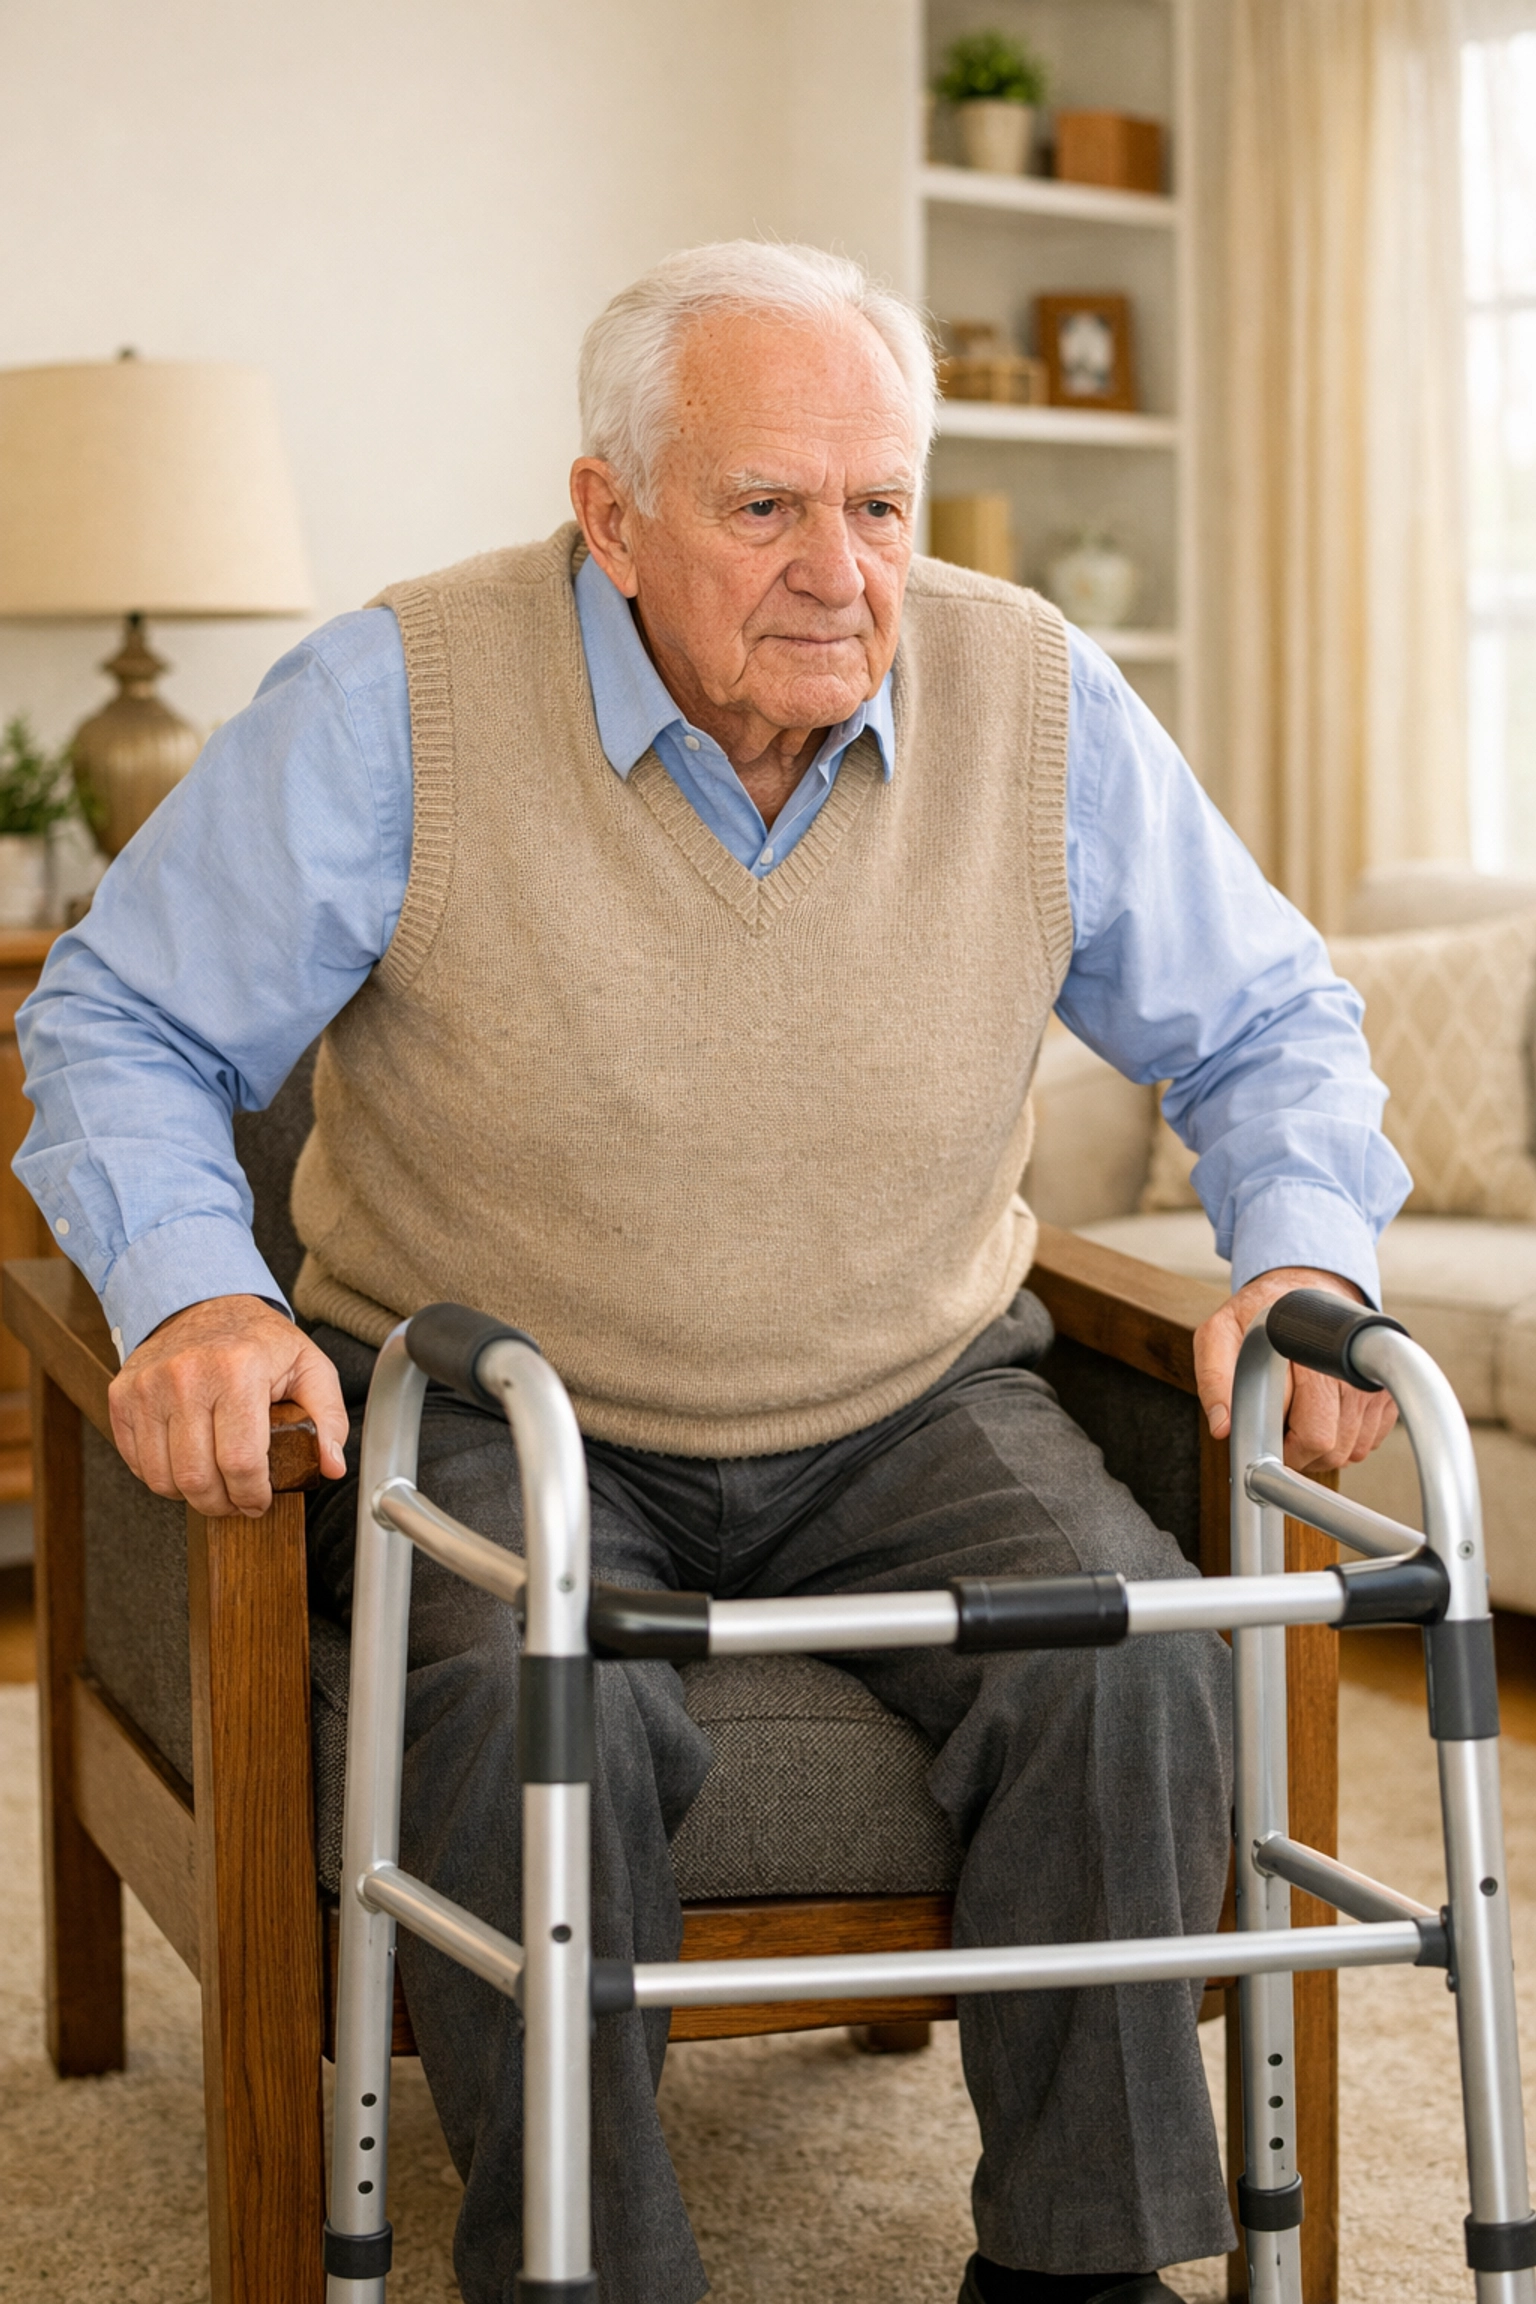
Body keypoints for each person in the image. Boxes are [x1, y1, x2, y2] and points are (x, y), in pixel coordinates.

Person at [15, 242, 1407, 2304]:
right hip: (503, 1403)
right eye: (767, 506)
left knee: (1129, 1671)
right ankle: (593, 2275)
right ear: (611, 513)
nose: (843, 571)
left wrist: (1301, 1235)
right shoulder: (400, 699)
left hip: (914, 1393)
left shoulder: (1031, 694)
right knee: (515, 1702)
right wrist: (198, 1296)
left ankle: (1079, 2273)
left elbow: (1273, 1013)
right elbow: (119, 1021)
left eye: (879, 506)